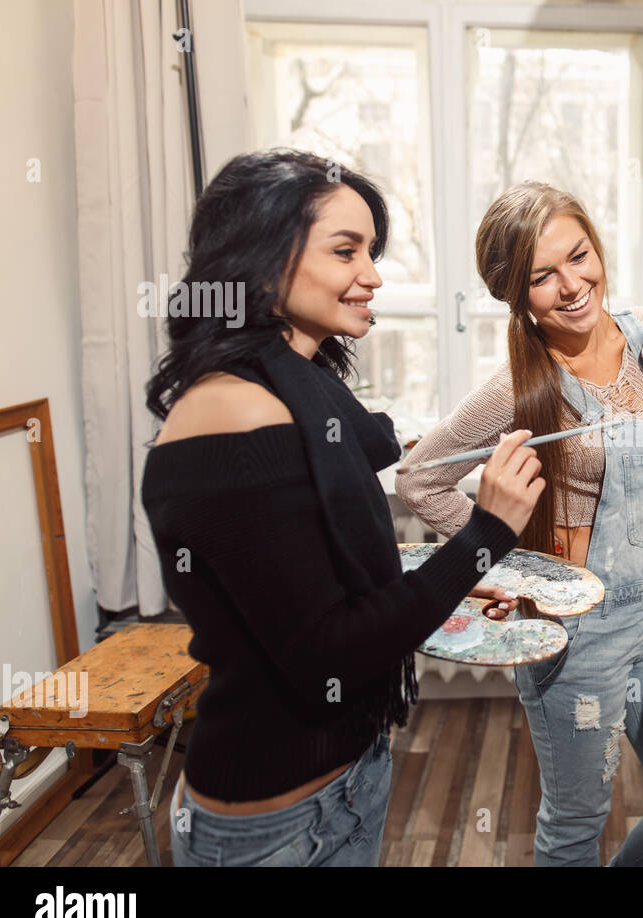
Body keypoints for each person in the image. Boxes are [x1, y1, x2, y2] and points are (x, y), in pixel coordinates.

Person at [141, 150, 544, 866]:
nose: (374, 275)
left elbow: (326, 540)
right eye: (345, 250)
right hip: (278, 826)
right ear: (263, 261)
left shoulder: (293, 388)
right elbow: (330, 650)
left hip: (346, 781)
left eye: (372, 250)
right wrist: (487, 531)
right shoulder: (235, 421)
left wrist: (436, 555)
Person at [396, 181, 643, 866]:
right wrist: (515, 560)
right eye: (543, 277)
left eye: (579, 257)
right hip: (580, 637)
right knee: (576, 828)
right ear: (515, 294)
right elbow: (418, 478)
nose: (573, 285)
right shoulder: (519, 388)